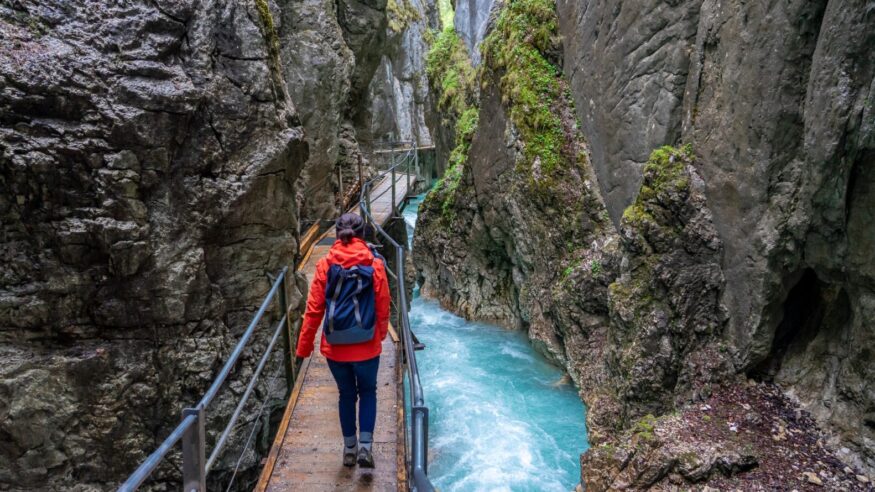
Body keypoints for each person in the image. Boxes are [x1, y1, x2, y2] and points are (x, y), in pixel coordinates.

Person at [295, 213, 390, 468]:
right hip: (367, 345)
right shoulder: (375, 264)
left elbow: (314, 310)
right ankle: (365, 448)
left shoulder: (324, 264)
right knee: (368, 392)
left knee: (346, 394)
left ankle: (349, 449)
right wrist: (380, 334)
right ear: (362, 234)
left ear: (337, 235)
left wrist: (303, 348)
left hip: (335, 348)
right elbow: (383, 304)